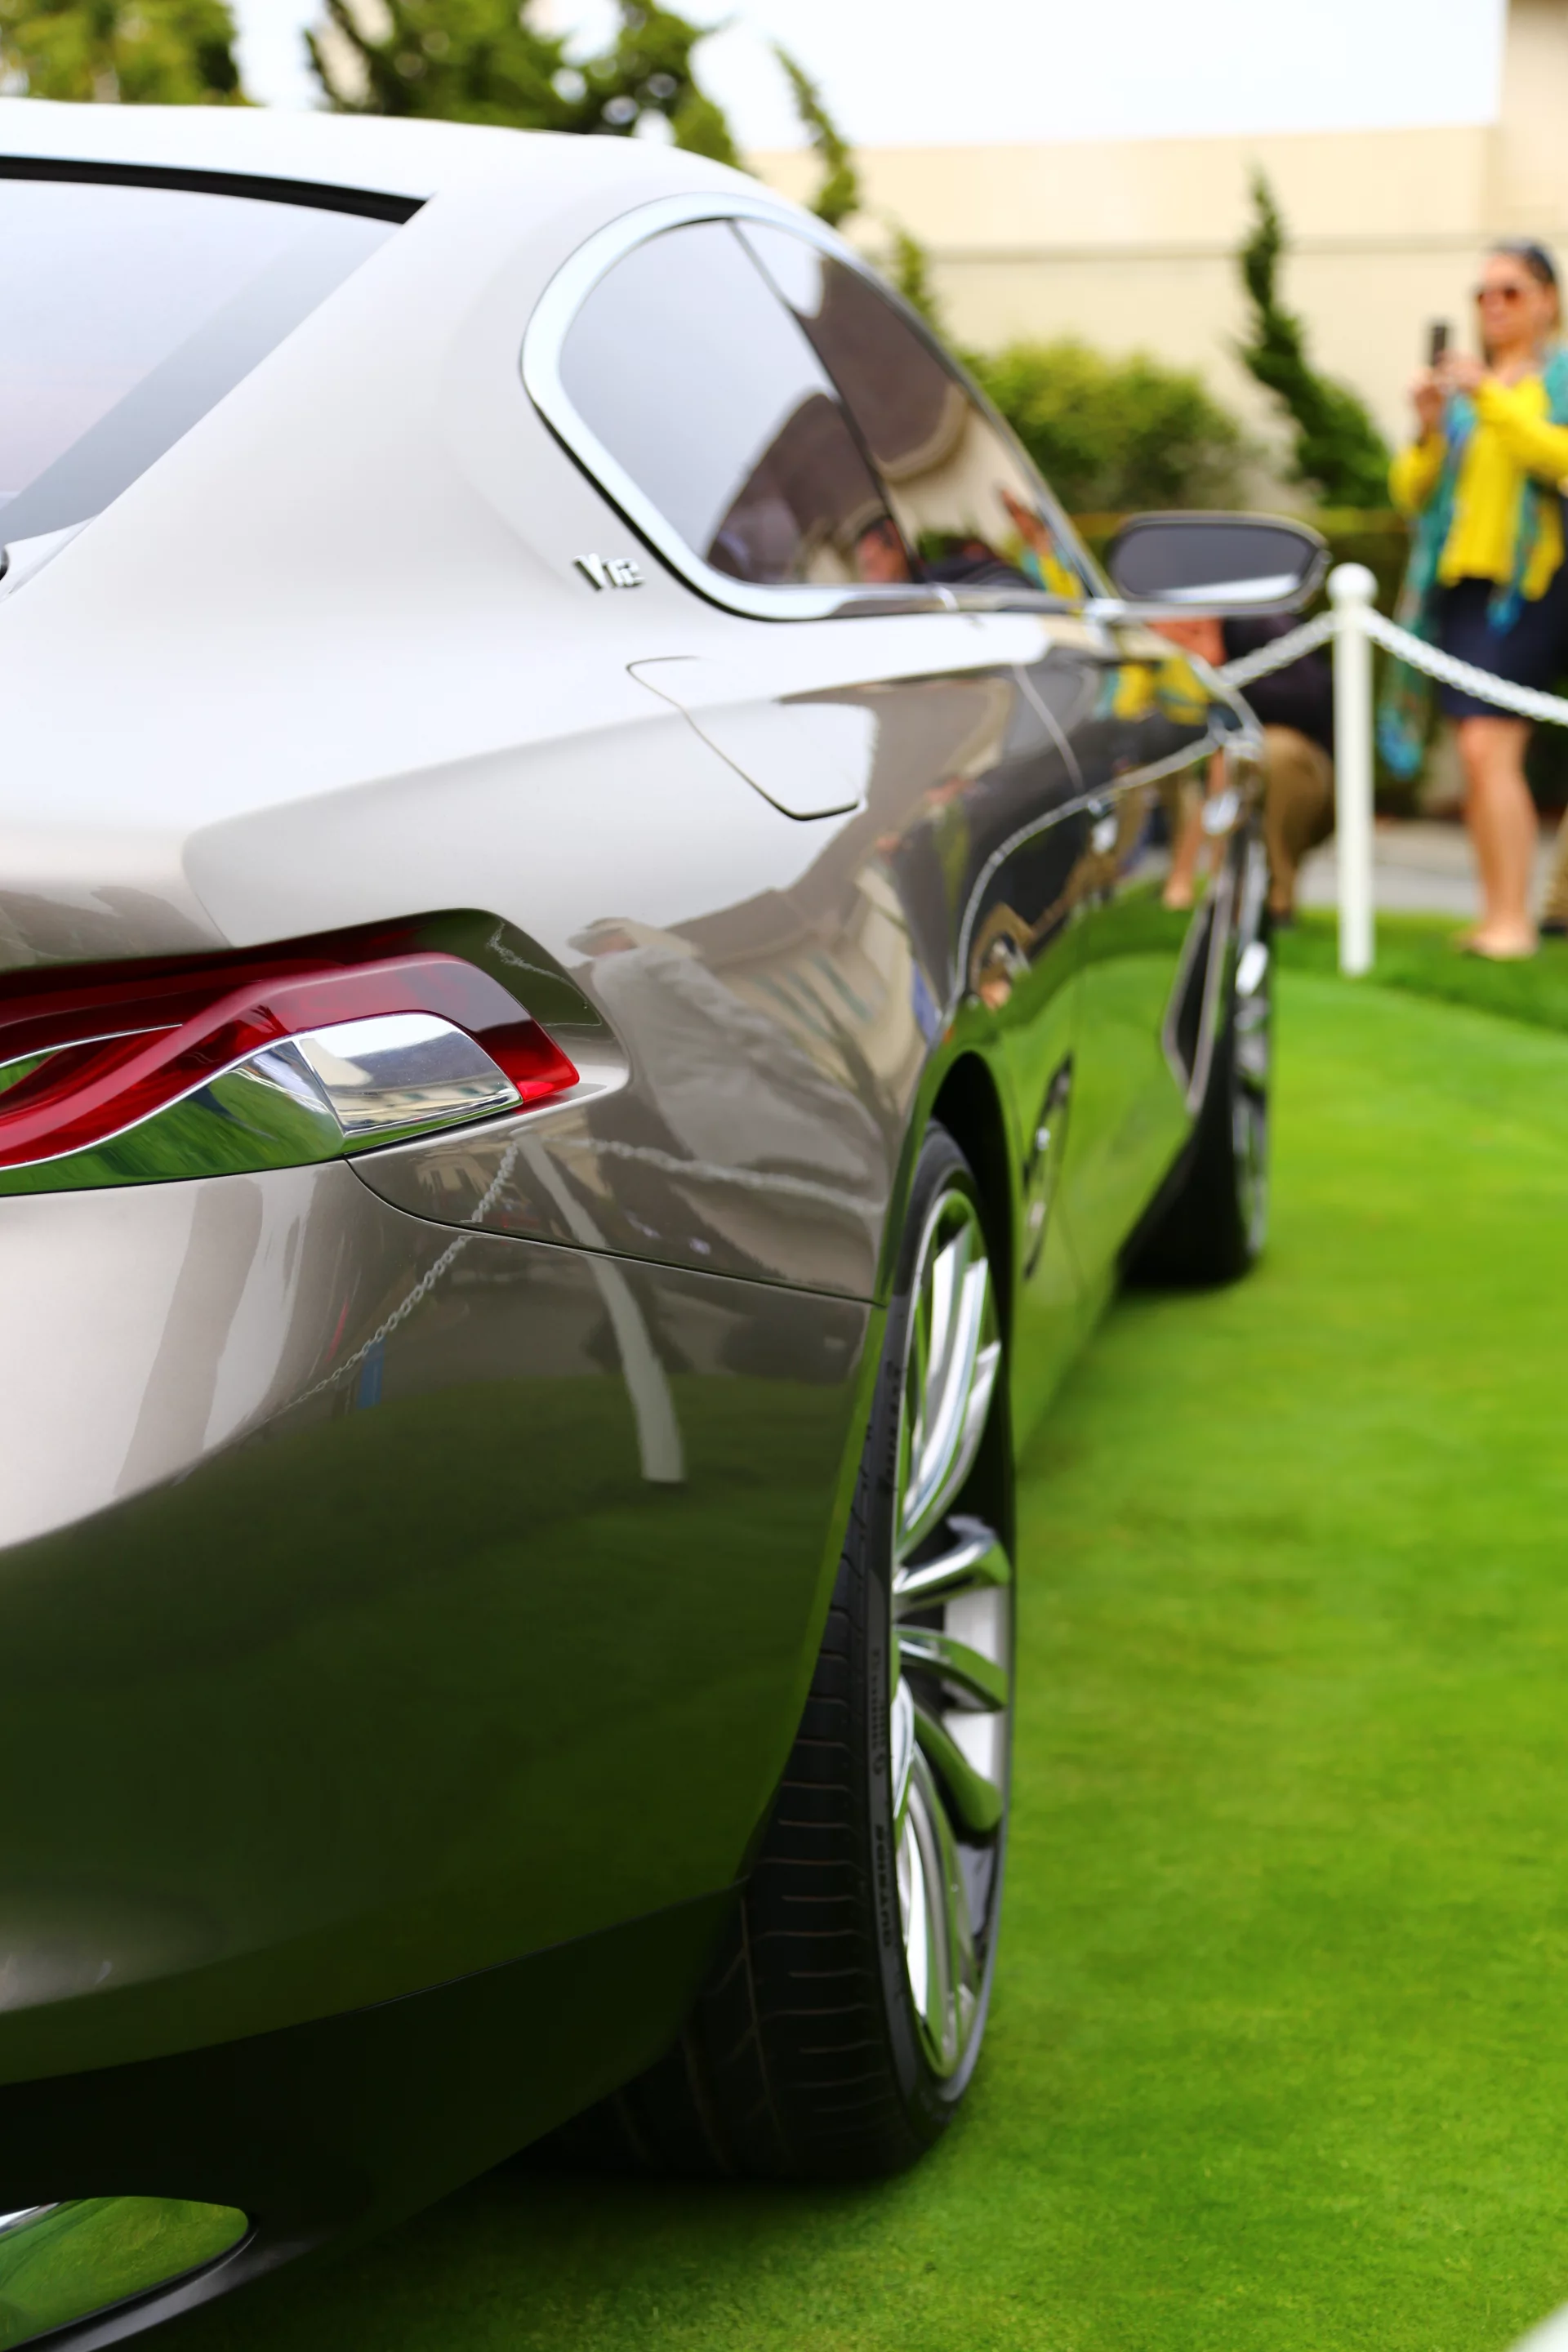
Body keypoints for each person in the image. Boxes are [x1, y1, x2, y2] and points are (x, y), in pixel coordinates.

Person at [1382, 239, 1568, 959]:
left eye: (1510, 290)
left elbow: (1556, 455)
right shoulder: (1464, 395)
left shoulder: (1553, 379)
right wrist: (1429, 426)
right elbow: (1412, 492)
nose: (1493, 305)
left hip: (1533, 586)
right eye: (1484, 293)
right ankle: (1498, 914)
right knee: (1476, 752)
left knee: (1491, 744)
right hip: (1461, 588)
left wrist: (1488, 395)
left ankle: (1513, 923)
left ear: (1547, 301)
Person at [1154, 614, 1334, 920]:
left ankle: (1274, 902)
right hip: (1218, 757)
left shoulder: (1262, 626)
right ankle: (1197, 885)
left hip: (1301, 769)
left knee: (1254, 754)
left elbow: (1314, 700)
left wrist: (1221, 675)